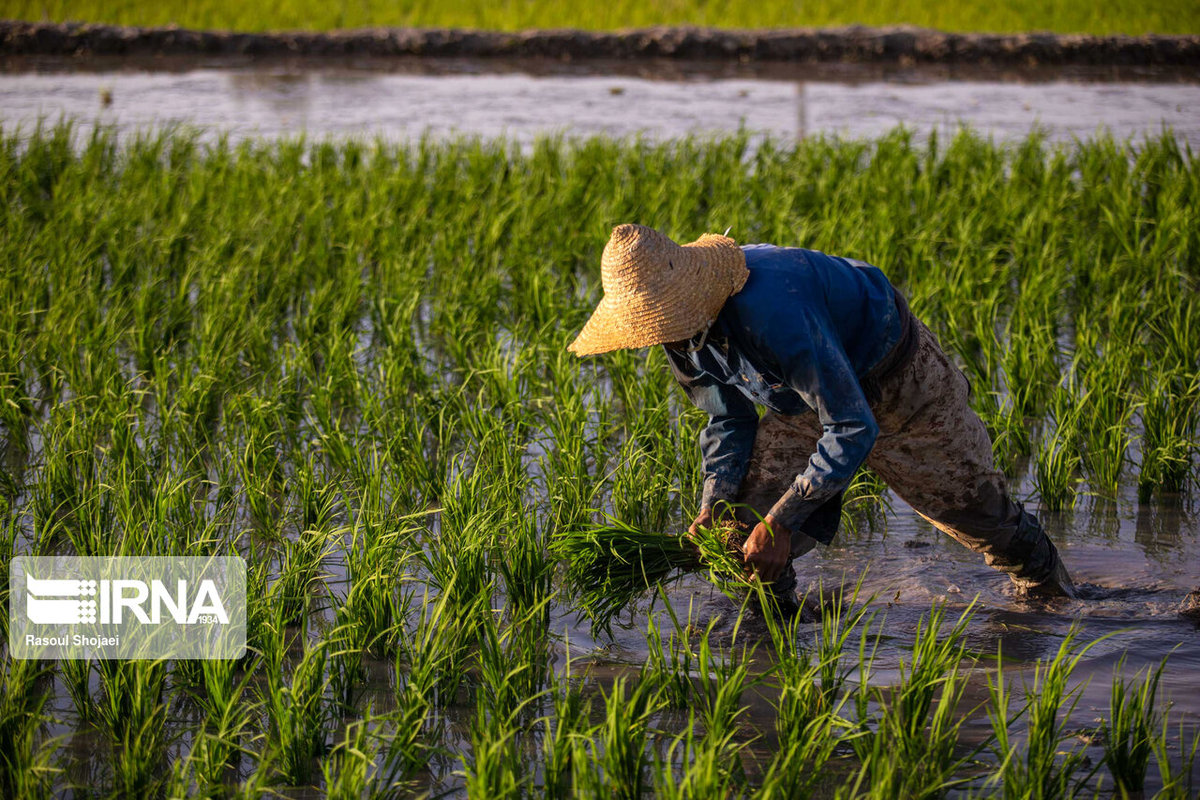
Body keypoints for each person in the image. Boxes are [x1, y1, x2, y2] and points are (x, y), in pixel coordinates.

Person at [567, 223, 1076, 614]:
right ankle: (782, 623)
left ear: (691, 295)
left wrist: (783, 521)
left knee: (975, 514)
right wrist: (714, 502)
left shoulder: (773, 311)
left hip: (897, 378)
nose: (660, 336)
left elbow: (853, 424)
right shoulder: (680, 333)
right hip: (796, 397)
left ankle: (1053, 598)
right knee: (738, 532)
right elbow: (728, 419)